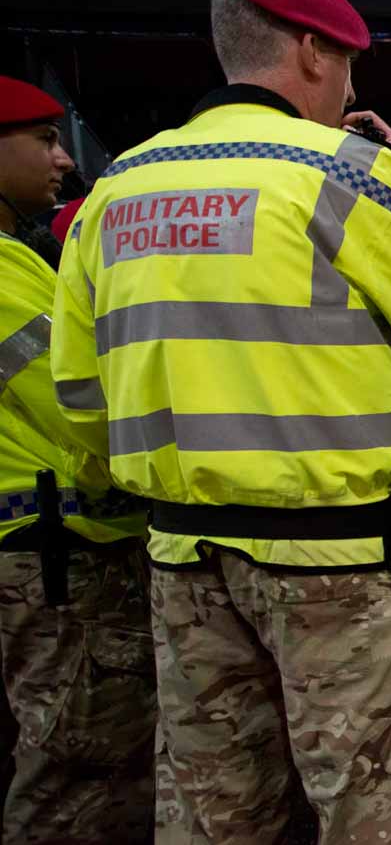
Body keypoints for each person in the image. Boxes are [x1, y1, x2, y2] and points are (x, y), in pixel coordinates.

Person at [49, 0, 391, 844]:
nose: (348, 91)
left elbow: (79, 398)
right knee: (375, 817)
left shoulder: (113, 195)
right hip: (340, 571)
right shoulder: (354, 177)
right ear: (310, 51)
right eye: (346, 68)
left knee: (214, 816)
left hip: (185, 563)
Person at [0, 77, 155, 844]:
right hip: (57, 558)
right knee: (80, 762)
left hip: (55, 552)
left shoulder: (16, 257)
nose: (63, 157)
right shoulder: (0, 272)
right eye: (42, 140)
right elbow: (81, 408)